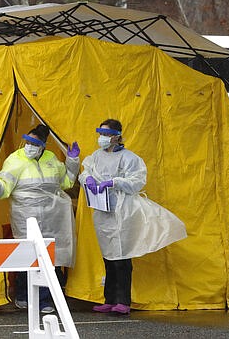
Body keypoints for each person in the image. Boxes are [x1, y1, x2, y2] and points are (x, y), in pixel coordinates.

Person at [79, 119, 186, 315]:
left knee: (122, 256)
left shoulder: (130, 158)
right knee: (108, 256)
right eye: (100, 133)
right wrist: (89, 179)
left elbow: (137, 182)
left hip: (122, 210)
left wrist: (113, 182)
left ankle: (123, 300)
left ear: (117, 136)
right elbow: (85, 173)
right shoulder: (96, 156)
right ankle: (109, 299)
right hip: (102, 211)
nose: (102, 138)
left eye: (106, 134)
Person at [0, 124, 80, 314]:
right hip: (26, 216)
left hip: (52, 216)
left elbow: (66, 182)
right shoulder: (15, 160)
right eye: (27, 141)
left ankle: (46, 299)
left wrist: (72, 161)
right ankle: (24, 295)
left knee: (51, 257)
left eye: (34, 143)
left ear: (43, 145)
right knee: (29, 256)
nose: (29, 146)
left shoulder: (51, 159)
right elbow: (4, 188)